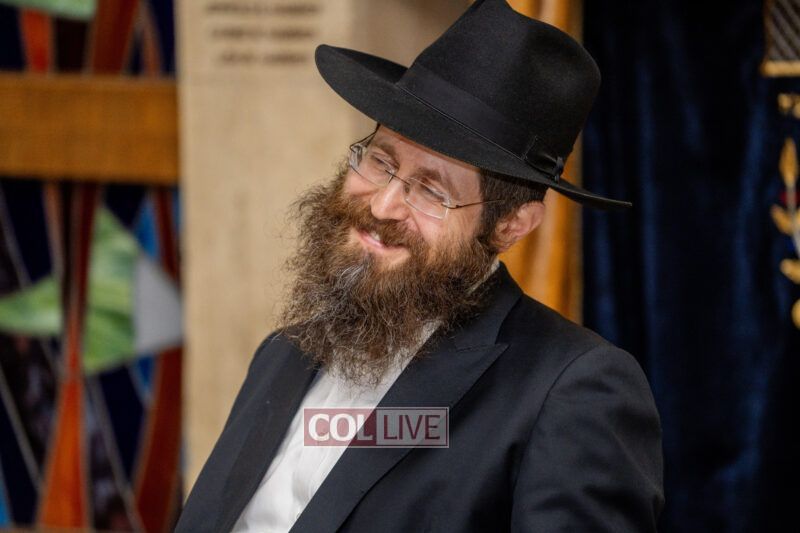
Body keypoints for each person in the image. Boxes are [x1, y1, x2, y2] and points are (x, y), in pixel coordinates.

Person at [176, 0, 664, 531]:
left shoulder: (571, 392)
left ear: (510, 225)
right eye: (380, 161)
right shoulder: (283, 351)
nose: (383, 205)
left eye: (432, 191)